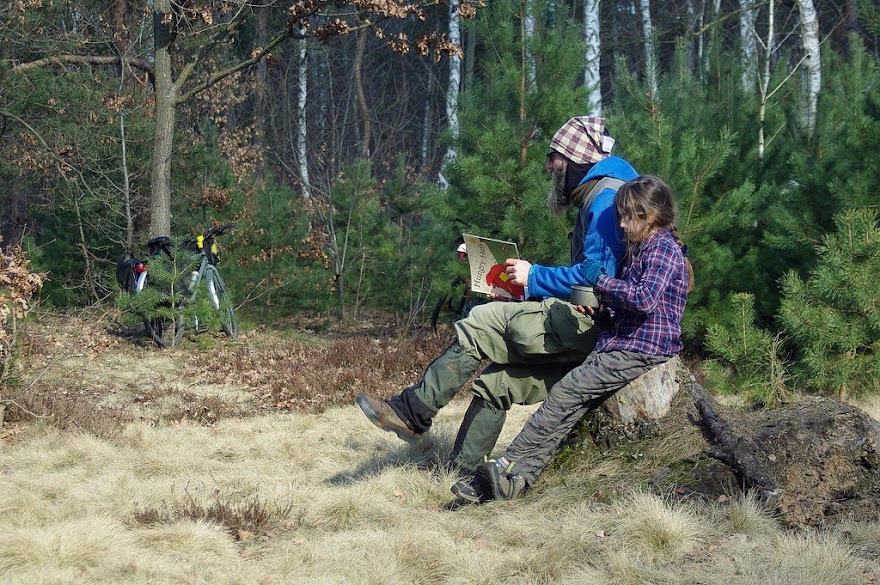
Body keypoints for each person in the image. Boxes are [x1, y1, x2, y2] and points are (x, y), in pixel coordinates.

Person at [356, 116, 639, 505]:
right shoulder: (606, 192)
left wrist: (533, 277)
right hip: (600, 329)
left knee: (479, 322)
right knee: (497, 384)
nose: (548, 166)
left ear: (576, 159)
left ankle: (413, 411)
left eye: (554, 156)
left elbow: (597, 280)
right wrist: (521, 288)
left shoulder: (606, 199)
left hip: (599, 330)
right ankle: (462, 478)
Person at [471, 174, 693, 503]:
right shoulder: (644, 248)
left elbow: (645, 299)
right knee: (571, 408)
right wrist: (603, 313)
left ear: (648, 216)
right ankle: (517, 480)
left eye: (627, 217)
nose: (621, 225)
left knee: (565, 394)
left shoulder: (662, 249)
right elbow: (638, 305)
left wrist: (600, 280)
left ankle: (505, 463)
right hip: (626, 342)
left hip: (641, 349)